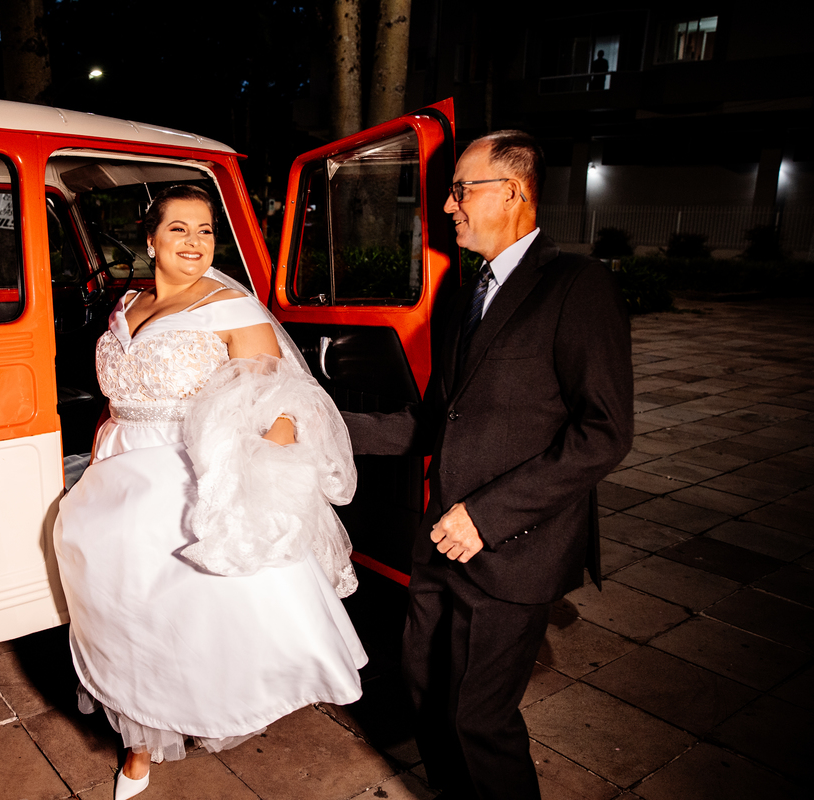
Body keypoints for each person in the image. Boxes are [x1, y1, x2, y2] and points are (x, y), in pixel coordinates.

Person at [53, 185, 367, 800]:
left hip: (186, 479)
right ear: (150, 239)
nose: (195, 242)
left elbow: (282, 408)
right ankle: (137, 743)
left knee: (184, 619)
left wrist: (256, 486)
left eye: (204, 230)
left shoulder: (232, 308)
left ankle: (173, 728)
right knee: (120, 615)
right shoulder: (127, 303)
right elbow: (120, 397)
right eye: (179, 229)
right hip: (113, 473)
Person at [382, 131, 632, 799]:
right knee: (424, 695)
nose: (448, 206)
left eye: (462, 188)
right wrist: (314, 430)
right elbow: (438, 420)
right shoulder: (467, 294)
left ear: (514, 191)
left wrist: (486, 518)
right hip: (440, 542)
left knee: (479, 720)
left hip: (512, 548)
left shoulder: (579, 286)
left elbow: (604, 434)